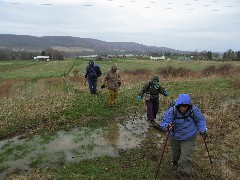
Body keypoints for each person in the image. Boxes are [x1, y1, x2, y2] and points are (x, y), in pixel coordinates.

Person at [160, 94, 208, 179]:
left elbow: (200, 120)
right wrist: (167, 126)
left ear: (188, 105)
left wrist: (203, 130)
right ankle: (174, 162)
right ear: (178, 105)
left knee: (185, 156)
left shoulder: (193, 110)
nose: (183, 108)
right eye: (181, 106)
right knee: (175, 153)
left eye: (185, 106)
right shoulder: (172, 111)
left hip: (189, 136)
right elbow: (164, 122)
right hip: (175, 136)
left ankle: (183, 172)